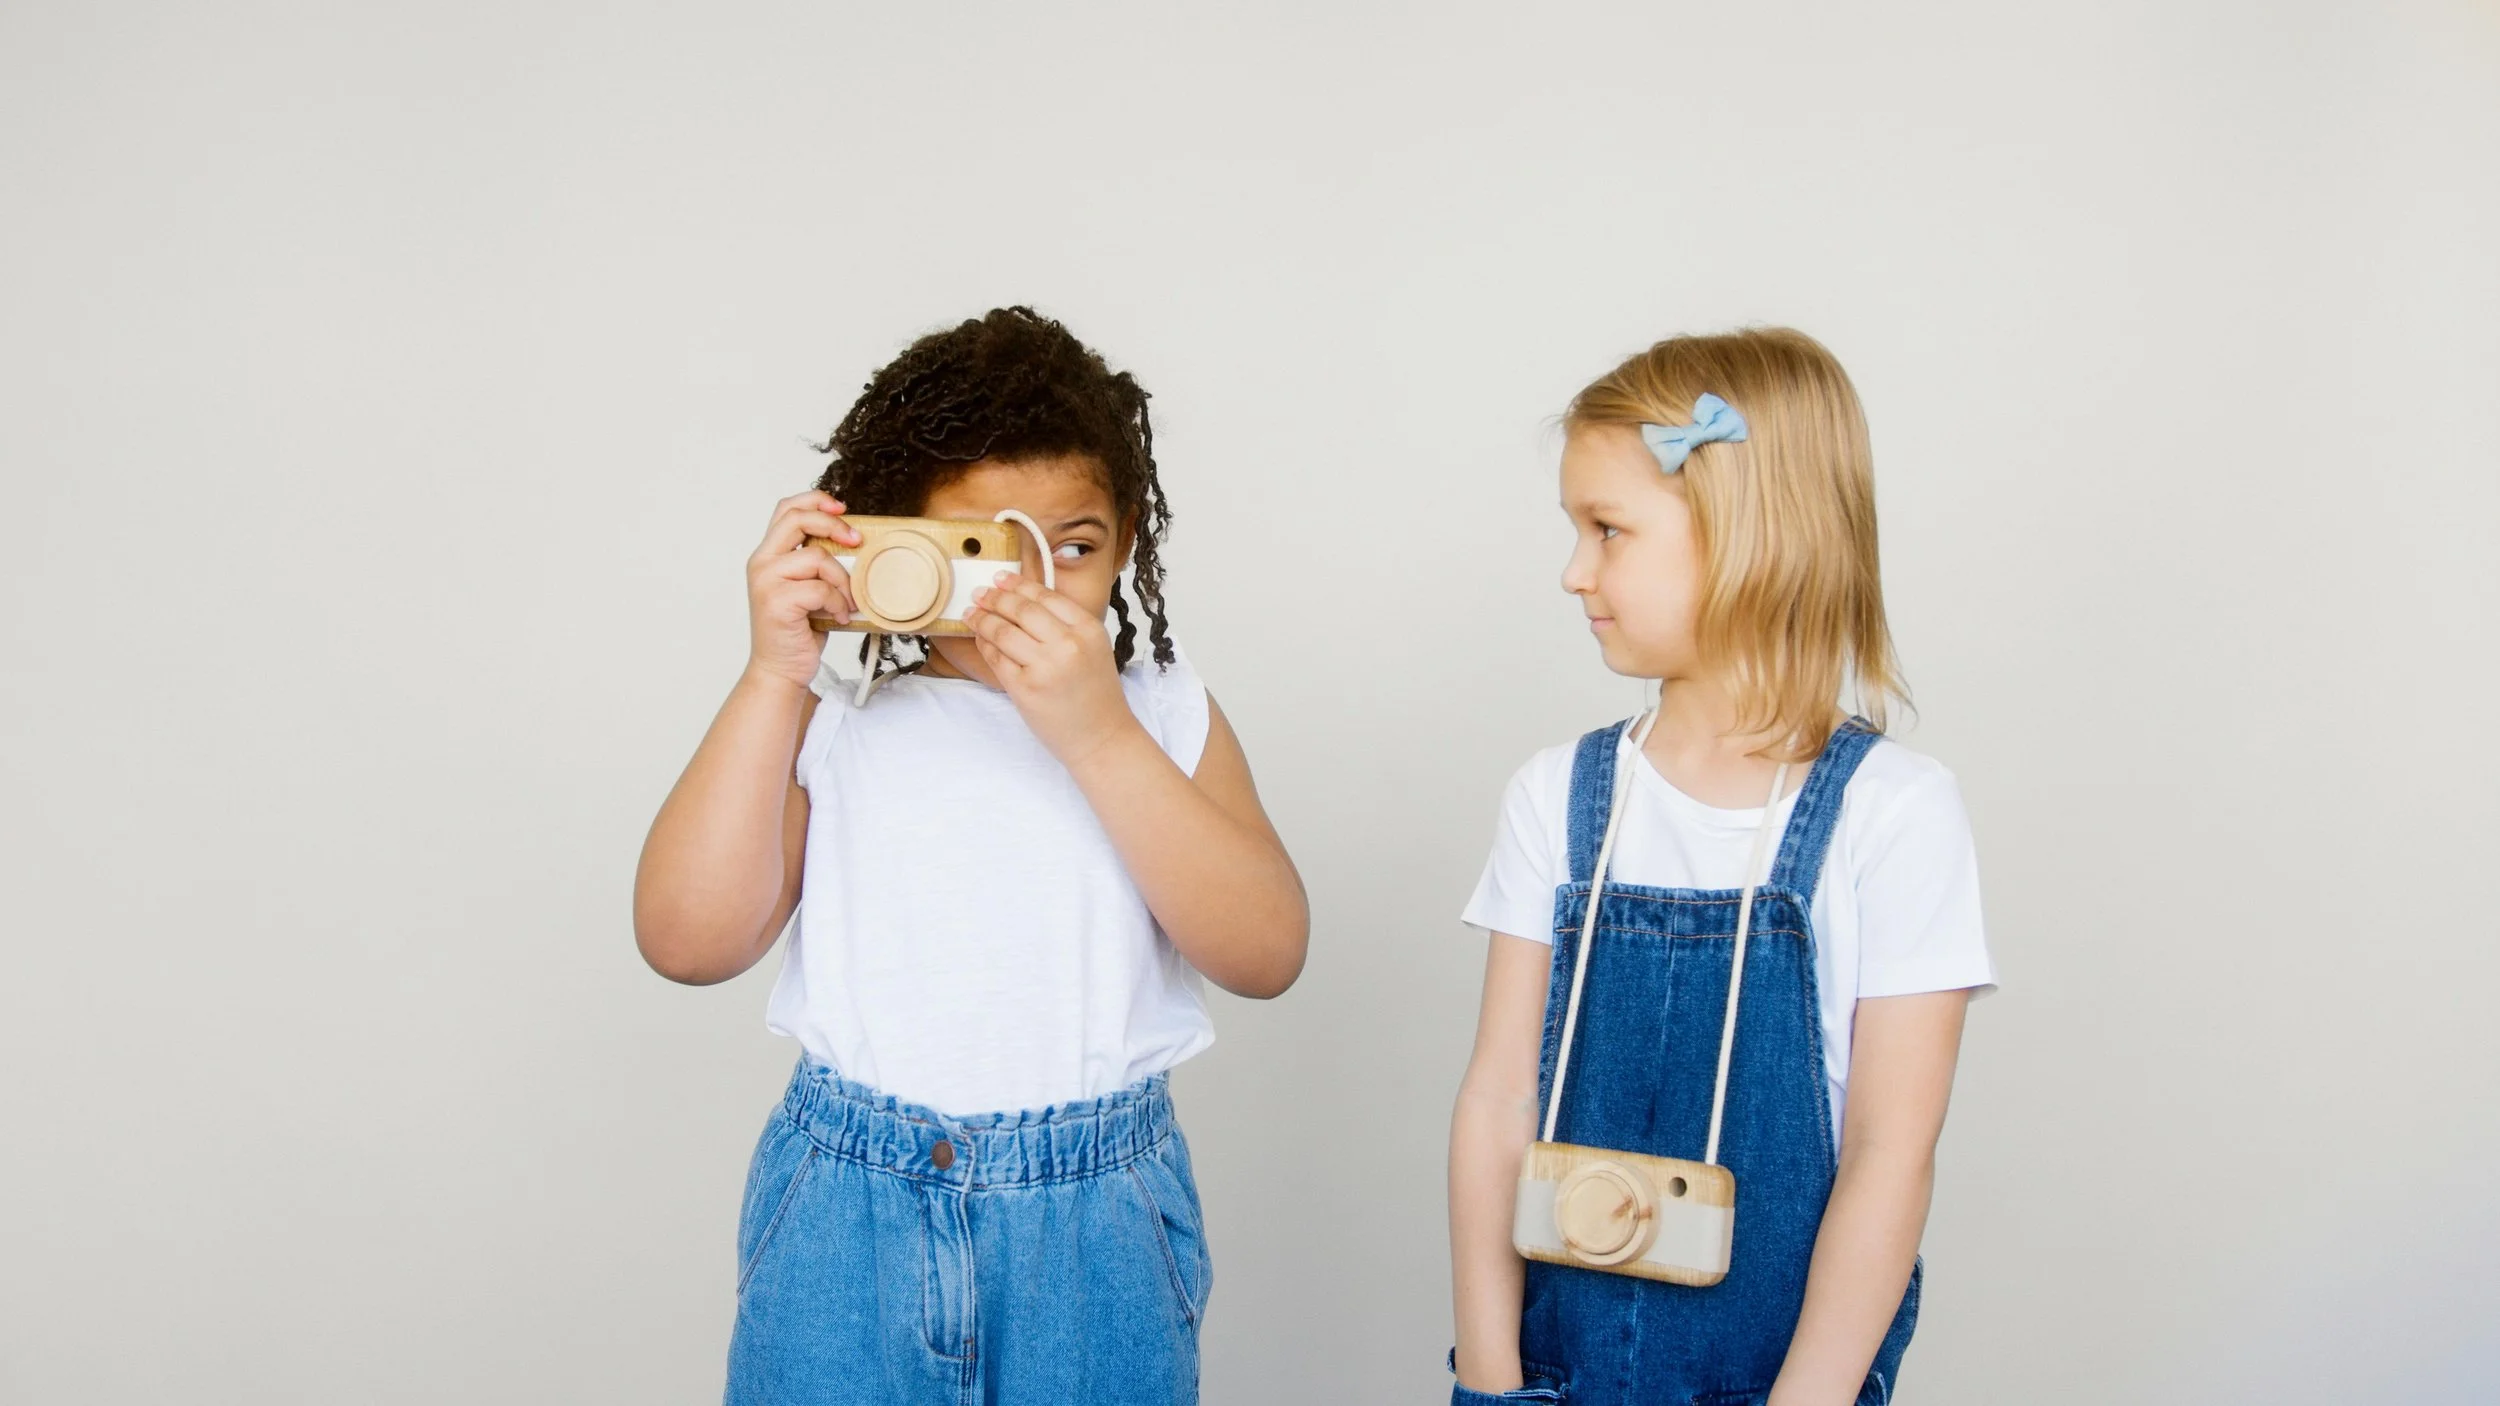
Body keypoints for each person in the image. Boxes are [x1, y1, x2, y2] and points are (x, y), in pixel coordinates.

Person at [635, 306, 1309, 1405]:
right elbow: (688, 940)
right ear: (887, 545)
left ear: (1129, 538)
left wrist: (1097, 730)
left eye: (1074, 548)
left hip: (1093, 1224)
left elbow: (1266, 948)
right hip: (848, 1208)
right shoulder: (834, 721)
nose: (1031, 589)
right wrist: (773, 673)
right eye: (980, 552)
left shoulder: (1164, 715)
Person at [1447, 328, 1996, 1405]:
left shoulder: (1893, 816)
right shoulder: (1556, 798)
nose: (1573, 572)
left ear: (1748, 536)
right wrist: (1492, 1378)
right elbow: (1497, 1098)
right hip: (1551, 1377)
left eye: (1608, 530)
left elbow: (1891, 1153)